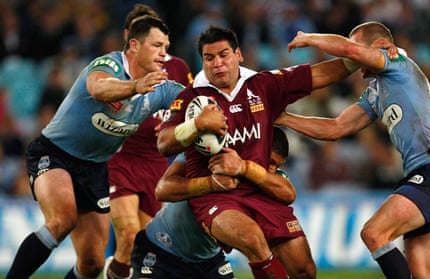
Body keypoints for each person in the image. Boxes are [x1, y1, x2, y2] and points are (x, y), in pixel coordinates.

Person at [156, 25, 360, 279]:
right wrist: (196, 125)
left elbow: (319, 76)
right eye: (209, 58)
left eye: (224, 55)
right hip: (219, 195)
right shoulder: (190, 98)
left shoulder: (263, 85)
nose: (217, 64)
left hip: (261, 188)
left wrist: (362, 58)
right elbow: (163, 143)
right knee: (254, 242)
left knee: (304, 270)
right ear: (203, 61)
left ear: (238, 55)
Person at [275, 21, 430, 279]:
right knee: (423, 273)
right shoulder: (375, 93)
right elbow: (336, 128)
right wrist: (284, 118)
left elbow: (350, 52)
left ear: (380, 45)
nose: (356, 66)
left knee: (373, 233)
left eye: (357, 45)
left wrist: (310, 37)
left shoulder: (396, 62)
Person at [6, 16, 185, 279]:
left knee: (91, 265)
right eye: (157, 45)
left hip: (95, 168)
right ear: (134, 45)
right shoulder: (109, 64)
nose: (163, 53)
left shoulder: (162, 86)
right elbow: (98, 87)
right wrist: (135, 86)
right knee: (63, 219)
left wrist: (187, 120)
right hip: (55, 153)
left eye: (166, 47)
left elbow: (194, 101)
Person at [131, 126, 293, 279]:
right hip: (161, 249)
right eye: (270, 162)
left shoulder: (265, 179)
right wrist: (212, 183)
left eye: (277, 166)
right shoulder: (210, 150)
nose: (271, 170)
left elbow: (288, 194)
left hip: (208, 262)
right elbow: (163, 190)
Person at [104, 4, 192, 279]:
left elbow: (189, 106)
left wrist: (174, 124)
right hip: (121, 161)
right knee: (128, 233)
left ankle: (117, 270)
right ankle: (116, 265)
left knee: (148, 247)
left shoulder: (178, 67)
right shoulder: (117, 69)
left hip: (156, 166)